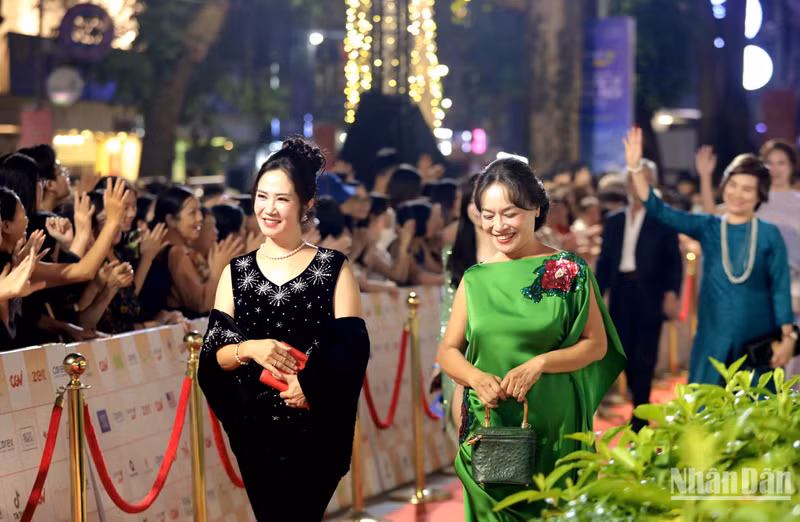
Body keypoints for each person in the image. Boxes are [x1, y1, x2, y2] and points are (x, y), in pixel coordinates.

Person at [438, 158, 625, 521]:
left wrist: (541, 363)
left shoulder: (569, 269)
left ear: (536, 208)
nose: (498, 226)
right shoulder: (475, 279)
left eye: (509, 213)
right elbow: (448, 351)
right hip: (489, 424)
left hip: (555, 423)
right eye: (488, 215)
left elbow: (596, 345)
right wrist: (475, 377)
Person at [197, 138, 370, 521]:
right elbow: (212, 356)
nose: (269, 208)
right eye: (262, 196)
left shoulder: (333, 268)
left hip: (315, 428)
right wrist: (251, 349)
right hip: (256, 432)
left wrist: (309, 386)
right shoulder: (236, 272)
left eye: (282, 199)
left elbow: (352, 349)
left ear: (307, 204)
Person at [625, 127, 795, 384]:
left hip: (758, 338)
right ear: (724, 186)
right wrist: (636, 168)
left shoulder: (769, 234)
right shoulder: (709, 226)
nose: (737, 195)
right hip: (713, 337)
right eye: (733, 185)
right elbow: (660, 211)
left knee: (755, 404)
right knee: (707, 402)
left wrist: (788, 337)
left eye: (747, 189)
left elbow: (780, 287)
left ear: (760, 194)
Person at [595, 160, 683, 431]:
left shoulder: (662, 219)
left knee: (646, 352)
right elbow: (605, 262)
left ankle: (640, 412)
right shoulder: (614, 220)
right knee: (623, 351)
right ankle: (635, 399)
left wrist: (672, 292)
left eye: (644, 179)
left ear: (652, 184)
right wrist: (596, 296)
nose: (637, 185)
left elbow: (673, 259)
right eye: (633, 180)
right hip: (621, 291)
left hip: (650, 292)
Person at [435, 174, 495, 443]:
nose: (478, 208)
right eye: (472, 201)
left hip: (498, 351)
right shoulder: (452, 254)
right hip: (460, 352)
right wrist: (440, 360)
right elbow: (447, 309)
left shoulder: (515, 255)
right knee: (464, 432)